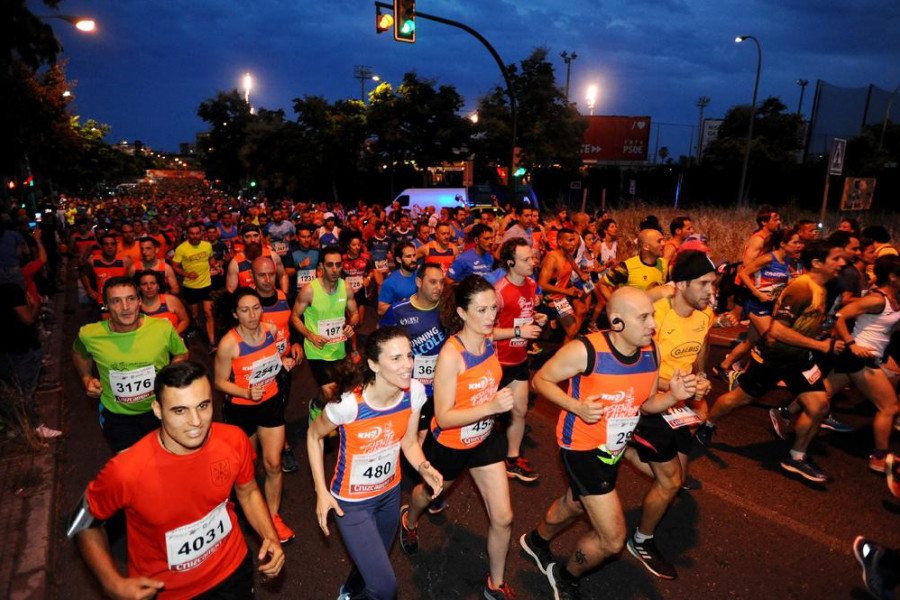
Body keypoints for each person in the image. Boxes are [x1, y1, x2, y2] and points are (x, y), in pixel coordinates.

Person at [520, 287, 696, 600]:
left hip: (612, 448)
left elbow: (646, 403)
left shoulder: (650, 350)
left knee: (574, 503)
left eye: (652, 315)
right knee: (612, 540)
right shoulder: (586, 350)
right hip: (581, 447)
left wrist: (673, 396)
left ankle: (535, 541)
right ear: (616, 322)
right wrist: (576, 407)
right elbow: (541, 380)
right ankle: (564, 575)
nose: (652, 324)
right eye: (643, 317)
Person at [68, 361, 284, 599]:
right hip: (168, 592)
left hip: (233, 572)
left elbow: (249, 490)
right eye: (180, 410)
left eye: (203, 406)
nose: (196, 421)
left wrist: (270, 536)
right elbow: (82, 523)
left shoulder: (233, 440)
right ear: (158, 410)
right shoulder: (126, 470)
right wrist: (113, 584)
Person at [398, 275, 517, 600]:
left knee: (504, 517)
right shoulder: (452, 354)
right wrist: (491, 405)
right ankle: (410, 518)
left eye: (493, 307)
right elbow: (446, 416)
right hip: (450, 442)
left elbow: (488, 378)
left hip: (484, 439)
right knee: (429, 494)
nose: (491, 316)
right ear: (462, 313)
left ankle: (495, 584)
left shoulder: (488, 338)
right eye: (482, 310)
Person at [307, 327, 444, 600]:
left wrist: (424, 467)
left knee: (372, 561)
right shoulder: (349, 404)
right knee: (385, 588)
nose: (408, 365)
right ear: (374, 364)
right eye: (396, 359)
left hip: (389, 495)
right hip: (351, 502)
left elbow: (409, 443)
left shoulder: (413, 392)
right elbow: (314, 436)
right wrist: (321, 492)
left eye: (409, 355)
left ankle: (349, 592)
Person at [697, 239, 847, 482]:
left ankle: (796, 457)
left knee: (819, 405)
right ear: (818, 263)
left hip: (800, 359)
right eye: (836, 259)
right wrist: (820, 345)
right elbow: (777, 330)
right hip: (773, 357)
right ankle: (708, 424)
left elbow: (804, 323)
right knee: (739, 398)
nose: (842, 263)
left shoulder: (822, 287)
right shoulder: (802, 288)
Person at [623, 251, 734, 580]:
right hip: (649, 401)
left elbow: (699, 352)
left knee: (677, 477)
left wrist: (700, 382)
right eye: (702, 284)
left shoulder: (705, 315)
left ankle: (623, 449)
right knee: (669, 481)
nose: (709, 292)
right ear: (681, 284)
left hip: (679, 402)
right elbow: (632, 363)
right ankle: (641, 540)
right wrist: (676, 387)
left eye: (712, 285)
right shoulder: (653, 313)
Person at [214, 288, 299, 544]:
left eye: (256, 308)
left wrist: (285, 362)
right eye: (244, 310)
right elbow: (218, 382)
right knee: (247, 468)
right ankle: (247, 511)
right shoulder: (229, 344)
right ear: (235, 314)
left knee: (273, 464)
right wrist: (245, 392)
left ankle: (272, 517)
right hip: (241, 409)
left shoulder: (271, 331)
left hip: (270, 402)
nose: (252, 315)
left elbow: (276, 357)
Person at [72, 276, 189, 452]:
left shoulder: (162, 328)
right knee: (131, 469)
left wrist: (171, 372)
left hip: (160, 410)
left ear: (139, 301)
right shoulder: (89, 334)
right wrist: (86, 378)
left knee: (166, 462)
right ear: (106, 305)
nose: (125, 308)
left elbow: (182, 352)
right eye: (116, 301)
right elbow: (78, 353)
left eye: (131, 299)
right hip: (118, 417)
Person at [815, 255, 900, 473]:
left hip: (868, 355)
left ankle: (785, 412)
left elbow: (885, 328)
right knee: (889, 406)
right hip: (860, 355)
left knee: (822, 392)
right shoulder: (876, 299)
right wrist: (852, 345)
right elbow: (840, 316)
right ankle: (879, 457)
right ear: (892, 277)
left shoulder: (893, 299)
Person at [494, 238, 547, 482]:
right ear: (510, 262)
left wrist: (537, 318)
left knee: (520, 410)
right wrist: (519, 332)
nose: (533, 263)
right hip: (496, 364)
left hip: (519, 360)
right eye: (526, 259)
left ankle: (512, 459)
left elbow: (523, 316)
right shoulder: (498, 293)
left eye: (533, 258)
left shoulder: (532, 284)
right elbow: (485, 332)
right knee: (484, 417)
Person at [291, 246, 360, 418]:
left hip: (338, 349)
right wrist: (310, 336)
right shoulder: (309, 290)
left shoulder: (346, 288)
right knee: (331, 392)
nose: (334, 269)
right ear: (321, 266)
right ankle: (320, 419)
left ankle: (317, 403)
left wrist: (351, 325)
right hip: (317, 351)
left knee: (338, 391)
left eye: (338, 264)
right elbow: (294, 317)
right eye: (330, 265)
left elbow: (356, 313)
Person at [251, 255, 305, 474]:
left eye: (271, 274)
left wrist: (296, 343)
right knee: (269, 406)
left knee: (279, 404)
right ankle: (283, 447)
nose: (267, 279)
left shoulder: (284, 296)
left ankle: (274, 440)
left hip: (284, 365)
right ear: (252, 277)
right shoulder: (248, 302)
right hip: (259, 366)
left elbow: (292, 324)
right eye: (261, 275)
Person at [171, 221, 217, 351]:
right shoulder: (181, 249)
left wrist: (216, 266)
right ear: (187, 234)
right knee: (195, 315)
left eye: (197, 233)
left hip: (206, 284)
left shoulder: (207, 246)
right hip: (190, 287)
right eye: (192, 234)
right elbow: (175, 266)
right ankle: (194, 328)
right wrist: (186, 274)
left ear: (201, 233)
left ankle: (212, 342)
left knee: (209, 313)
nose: (195, 236)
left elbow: (210, 259)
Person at [136, 270, 190, 336]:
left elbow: (185, 320)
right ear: (139, 287)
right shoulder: (135, 305)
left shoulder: (171, 300)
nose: (149, 287)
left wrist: (174, 334)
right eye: (144, 284)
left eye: (153, 283)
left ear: (158, 286)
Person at [377, 242, 418, 317]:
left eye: (414, 255)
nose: (413, 259)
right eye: (408, 256)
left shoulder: (422, 275)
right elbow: (380, 309)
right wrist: (401, 306)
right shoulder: (390, 282)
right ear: (399, 259)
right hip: (401, 324)